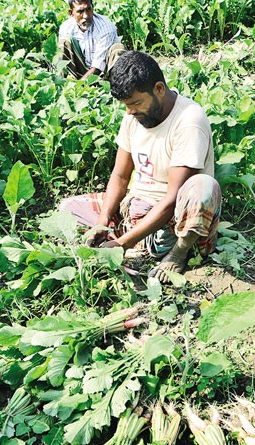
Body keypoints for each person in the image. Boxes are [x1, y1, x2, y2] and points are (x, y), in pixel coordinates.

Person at [59, 51, 222, 283]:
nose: (129, 111)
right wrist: (103, 222)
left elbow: (172, 200)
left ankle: (180, 251)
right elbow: (120, 175)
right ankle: (131, 238)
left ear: (159, 89)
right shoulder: (133, 117)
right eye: (126, 105)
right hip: (134, 214)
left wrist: (122, 244)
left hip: (172, 224)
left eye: (135, 103)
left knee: (203, 186)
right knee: (68, 208)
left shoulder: (188, 121)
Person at [57, 0, 125, 80]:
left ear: (93, 7)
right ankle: (62, 83)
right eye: (80, 11)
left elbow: (98, 66)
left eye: (88, 9)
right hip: (81, 72)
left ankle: (118, 84)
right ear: (71, 13)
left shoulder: (105, 26)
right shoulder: (66, 27)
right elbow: (60, 60)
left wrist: (80, 85)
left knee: (118, 49)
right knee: (64, 42)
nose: (86, 16)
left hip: (105, 73)